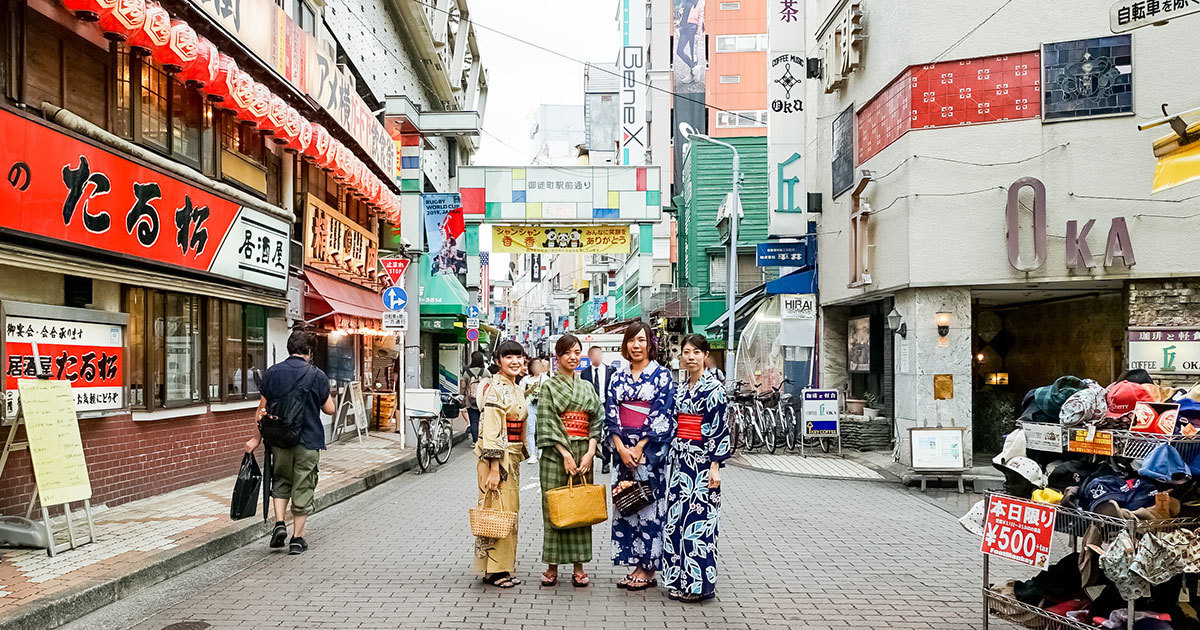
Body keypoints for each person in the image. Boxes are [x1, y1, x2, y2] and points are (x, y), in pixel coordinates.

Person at [245, 330, 334, 556]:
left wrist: (256, 438)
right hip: (308, 439)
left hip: (279, 440)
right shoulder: (317, 375)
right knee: (303, 484)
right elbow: (330, 409)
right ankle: (297, 538)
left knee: (281, 480)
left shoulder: (273, 373)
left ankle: (279, 524)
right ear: (310, 351)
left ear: (289, 348)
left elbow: (261, 410)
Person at [606, 321, 675, 591]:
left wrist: (639, 447)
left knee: (648, 507)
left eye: (642, 340)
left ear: (650, 345)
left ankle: (647, 568)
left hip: (648, 452)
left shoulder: (662, 376)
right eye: (632, 340)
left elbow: (662, 414)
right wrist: (621, 448)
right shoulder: (617, 376)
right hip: (622, 450)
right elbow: (611, 414)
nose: (637, 345)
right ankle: (632, 564)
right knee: (625, 505)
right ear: (625, 344)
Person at [663, 335, 731, 602]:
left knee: (699, 524)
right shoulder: (681, 389)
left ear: (705, 355)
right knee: (676, 523)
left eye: (695, 352)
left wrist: (716, 466)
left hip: (703, 462)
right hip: (681, 461)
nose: (690, 357)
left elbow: (719, 428)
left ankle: (700, 585)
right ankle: (678, 579)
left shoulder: (714, 389)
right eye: (686, 352)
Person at [536, 334, 603, 588]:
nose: (573, 357)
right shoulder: (549, 386)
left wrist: (590, 451)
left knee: (580, 509)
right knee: (554, 508)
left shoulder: (587, 386)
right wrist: (564, 453)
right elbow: (546, 422)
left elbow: (597, 418)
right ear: (558, 357)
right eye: (567, 353)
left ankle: (579, 566)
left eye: (577, 352)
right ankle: (552, 566)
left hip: (584, 452)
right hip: (556, 455)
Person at [474, 340, 529, 588]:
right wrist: (495, 468)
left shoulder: (515, 387)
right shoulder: (495, 389)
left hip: (511, 456)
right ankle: (494, 570)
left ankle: (500, 567)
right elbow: (493, 430)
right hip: (497, 458)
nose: (515, 361)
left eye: (519, 357)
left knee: (506, 512)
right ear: (498, 361)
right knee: (498, 512)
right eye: (508, 357)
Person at [582, 347, 614, 474]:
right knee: (592, 434)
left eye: (598, 354)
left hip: (606, 405)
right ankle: (590, 459)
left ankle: (606, 462)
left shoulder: (610, 370)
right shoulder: (585, 373)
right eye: (593, 355)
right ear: (589, 357)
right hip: (591, 406)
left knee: (606, 436)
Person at [521, 358, 549, 458]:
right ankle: (532, 453)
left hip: (542, 406)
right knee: (530, 430)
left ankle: (541, 451)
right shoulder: (525, 379)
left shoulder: (545, 378)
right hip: (529, 405)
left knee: (542, 430)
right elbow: (521, 395)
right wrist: (530, 390)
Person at [462, 351, 488, 444]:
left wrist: (463, 396)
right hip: (483, 400)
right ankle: (483, 440)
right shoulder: (485, 372)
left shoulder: (467, 373)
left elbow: (463, 386)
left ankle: (475, 441)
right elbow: (490, 385)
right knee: (484, 421)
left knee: (474, 421)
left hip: (470, 400)